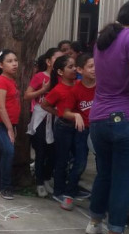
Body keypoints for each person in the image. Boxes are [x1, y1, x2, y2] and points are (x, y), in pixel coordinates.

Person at [85, 1, 129, 234]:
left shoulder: (104, 41)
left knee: (105, 173)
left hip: (98, 117)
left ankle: (94, 221)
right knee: (122, 177)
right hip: (122, 117)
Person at [41, 55, 79, 210]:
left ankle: (71, 189)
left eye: (75, 66)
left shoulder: (79, 85)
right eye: (70, 67)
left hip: (78, 127)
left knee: (77, 159)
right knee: (62, 160)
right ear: (60, 72)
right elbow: (45, 105)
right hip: (63, 127)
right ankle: (58, 191)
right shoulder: (58, 89)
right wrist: (59, 113)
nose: (75, 69)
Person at [25, 48, 63, 197]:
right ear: (48, 61)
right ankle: (39, 182)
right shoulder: (40, 76)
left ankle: (47, 178)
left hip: (55, 117)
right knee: (41, 151)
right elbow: (27, 95)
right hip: (40, 118)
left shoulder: (62, 78)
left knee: (53, 152)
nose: (61, 62)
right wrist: (44, 89)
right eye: (57, 58)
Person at [61, 53, 95, 202]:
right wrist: (76, 115)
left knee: (103, 166)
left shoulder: (103, 86)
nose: (95, 69)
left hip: (100, 130)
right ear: (80, 70)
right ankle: (69, 192)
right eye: (91, 66)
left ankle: (102, 199)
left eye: (97, 66)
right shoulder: (75, 90)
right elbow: (65, 112)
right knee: (80, 163)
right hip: (82, 131)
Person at [0, 49, 20, 200]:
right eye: (9, 61)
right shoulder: (1, 81)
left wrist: (12, 126)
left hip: (8, 124)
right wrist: (9, 129)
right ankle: (5, 187)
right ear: (0, 65)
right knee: (9, 151)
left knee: (4, 153)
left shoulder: (11, 80)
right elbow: (0, 107)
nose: (14, 64)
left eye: (15, 60)